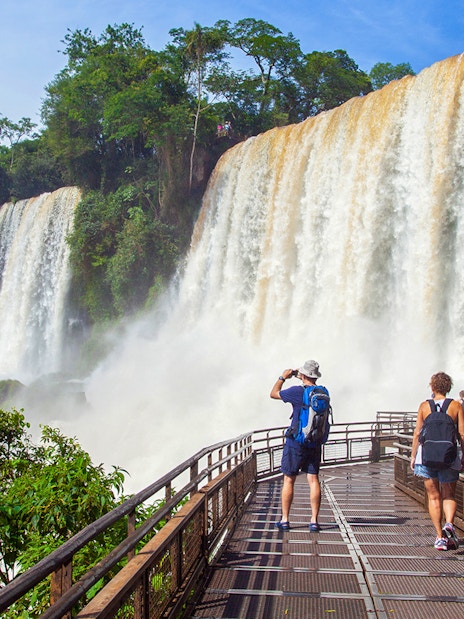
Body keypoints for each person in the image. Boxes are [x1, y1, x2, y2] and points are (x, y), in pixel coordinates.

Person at [410, 371, 464, 550]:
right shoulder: (456, 406)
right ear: (448, 388)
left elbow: (418, 433)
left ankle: (440, 537)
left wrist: (413, 455)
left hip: (427, 457)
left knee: (434, 497)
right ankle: (449, 523)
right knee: (448, 494)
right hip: (449, 456)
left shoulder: (424, 406)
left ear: (432, 387)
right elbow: (462, 434)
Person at [270, 359, 325, 532]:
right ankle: (314, 520)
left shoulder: (296, 391)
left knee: (289, 479)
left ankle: (285, 520)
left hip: (296, 442)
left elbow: (273, 393)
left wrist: (283, 376)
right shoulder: (323, 392)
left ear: (302, 375)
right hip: (315, 442)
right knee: (313, 479)